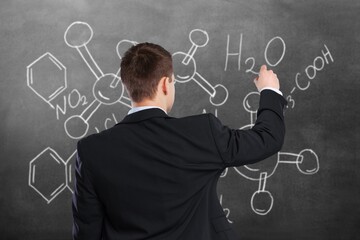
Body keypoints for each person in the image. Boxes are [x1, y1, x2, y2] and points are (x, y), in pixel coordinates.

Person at [72, 42, 287, 240]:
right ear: (166, 84)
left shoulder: (91, 151)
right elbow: (267, 137)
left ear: (126, 86)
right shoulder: (202, 133)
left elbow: (87, 233)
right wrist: (269, 90)